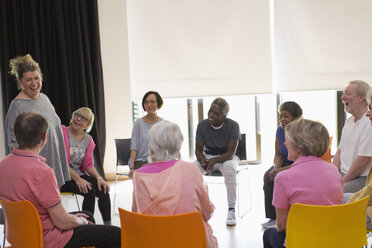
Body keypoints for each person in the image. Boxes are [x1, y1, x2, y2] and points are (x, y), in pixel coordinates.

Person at [0, 112, 121, 248]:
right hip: (46, 238)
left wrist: (79, 218)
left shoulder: (2, 165)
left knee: (87, 215)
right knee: (116, 234)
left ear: (16, 134)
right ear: (45, 136)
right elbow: (62, 223)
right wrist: (80, 221)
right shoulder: (43, 171)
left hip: (20, 233)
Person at [132, 120, 218, 248]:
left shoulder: (138, 175)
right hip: (190, 241)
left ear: (152, 145)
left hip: (153, 242)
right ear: (178, 145)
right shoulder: (190, 169)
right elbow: (207, 211)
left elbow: (136, 216)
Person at [263, 119, 343, 248]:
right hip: (333, 240)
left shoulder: (283, 178)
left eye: (287, 139)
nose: (284, 143)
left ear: (299, 147)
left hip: (302, 242)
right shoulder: (334, 171)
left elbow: (282, 226)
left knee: (268, 234)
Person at [5, 54, 70, 187]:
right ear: (20, 81)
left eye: (36, 78)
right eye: (29, 80)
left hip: (54, 167)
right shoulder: (16, 107)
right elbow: (14, 146)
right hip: (36, 174)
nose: (34, 83)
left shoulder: (44, 99)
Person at [60, 107, 112, 225]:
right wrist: (78, 180)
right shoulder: (62, 132)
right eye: (77, 115)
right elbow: (60, 163)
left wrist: (99, 178)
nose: (78, 119)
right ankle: (88, 226)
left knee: (102, 188)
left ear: (88, 124)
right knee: (90, 190)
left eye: (83, 118)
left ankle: (108, 224)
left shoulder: (88, 139)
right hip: (62, 177)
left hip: (78, 176)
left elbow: (88, 165)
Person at [194, 97, 240, 226]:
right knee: (193, 168)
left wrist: (214, 161)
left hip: (226, 158)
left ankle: (231, 209)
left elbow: (230, 153)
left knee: (229, 167)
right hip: (209, 157)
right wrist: (203, 160)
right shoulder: (202, 125)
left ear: (224, 115)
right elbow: (198, 150)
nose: (211, 115)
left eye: (216, 114)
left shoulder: (233, 126)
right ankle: (197, 209)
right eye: (210, 111)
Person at [262, 101, 303, 228]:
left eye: (286, 116)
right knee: (268, 176)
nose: (282, 119)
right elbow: (278, 153)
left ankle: (288, 216)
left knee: (281, 178)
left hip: (299, 163)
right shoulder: (280, 130)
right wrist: (276, 168)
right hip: (285, 160)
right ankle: (273, 218)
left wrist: (280, 171)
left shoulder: (301, 131)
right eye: (281, 116)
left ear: (296, 118)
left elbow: (302, 160)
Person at [332, 80, 372, 193]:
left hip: (360, 178)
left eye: (348, 93)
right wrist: (332, 175)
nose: (342, 97)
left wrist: (342, 181)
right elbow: (339, 151)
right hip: (343, 174)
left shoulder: (369, 123)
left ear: (361, 98)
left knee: (332, 193)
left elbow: (363, 160)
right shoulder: (349, 121)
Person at [344, 88, 372, 229]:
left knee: (334, 204)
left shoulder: (367, 126)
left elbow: (370, 189)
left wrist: (353, 204)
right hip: (366, 194)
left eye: (371, 108)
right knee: (333, 196)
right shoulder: (349, 122)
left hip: (361, 182)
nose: (368, 113)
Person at [129, 91, 163, 178]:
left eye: (152, 101)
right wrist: (132, 167)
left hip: (158, 162)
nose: (149, 105)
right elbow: (134, 147)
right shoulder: (138, 123)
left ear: (158, 103)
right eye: (146, 102)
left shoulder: (163, 123)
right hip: (141, 162)